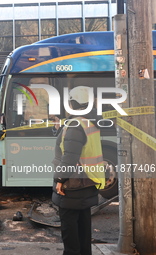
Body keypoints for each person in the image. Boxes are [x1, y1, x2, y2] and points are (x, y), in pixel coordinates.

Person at [51, 86, 106, 255]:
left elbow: (70, 156)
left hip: (73, 184)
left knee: (70, 229)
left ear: (72, 103)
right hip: (89, 181)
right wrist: (59, 129)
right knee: (83, 227)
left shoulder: (75, 125)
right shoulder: (89, 121)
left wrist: (60, 179)